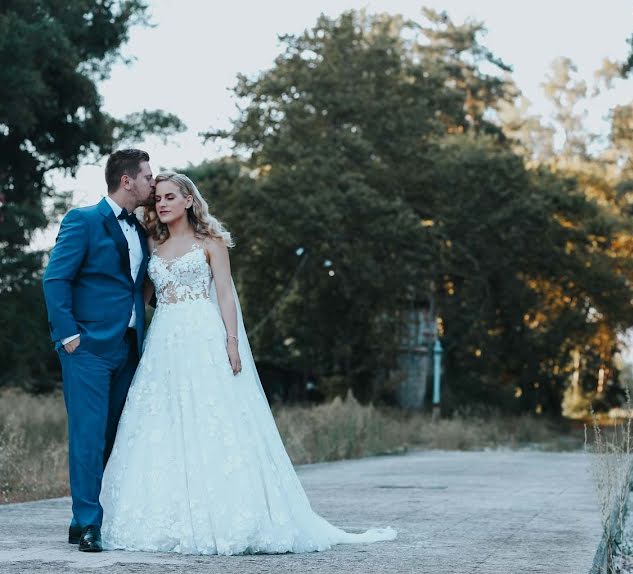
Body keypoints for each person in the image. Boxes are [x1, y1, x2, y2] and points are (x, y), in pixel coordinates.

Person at [98, 172, 397, 554]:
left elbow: (224, 292)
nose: (162, 203)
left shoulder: (211, 243)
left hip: (203, 335)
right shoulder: (153, 245)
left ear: (189, 200)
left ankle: (229, 513)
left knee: (214, 416)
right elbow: (143, 296)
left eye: (171, 197)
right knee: (162, 419)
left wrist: (232, 342)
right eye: (158, 198)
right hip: (164, 341)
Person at [42, 149, 155, 552]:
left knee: (113, 436)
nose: (152, 183)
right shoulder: (83, 220)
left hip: (128, 348)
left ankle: (82, 517)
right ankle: (90, 523)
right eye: (147, 176)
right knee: (88, 436)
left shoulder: (142, 231)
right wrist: (68, 335)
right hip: (87, 348)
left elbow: (138, 286)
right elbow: (56, 279)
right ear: (127, 181)